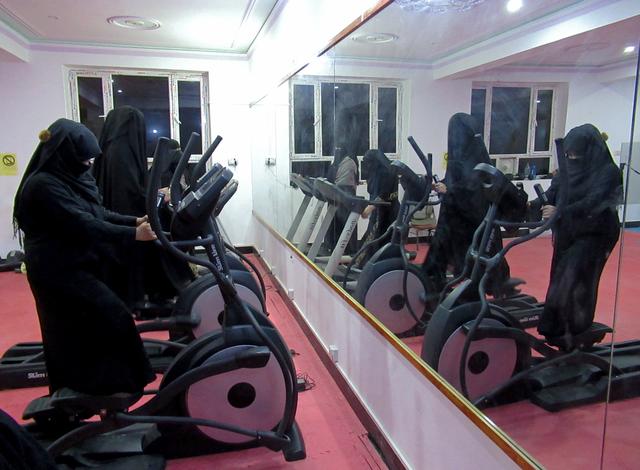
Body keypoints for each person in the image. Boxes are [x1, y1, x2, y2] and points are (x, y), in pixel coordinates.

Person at [13, 119, 156, 395]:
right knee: (106, 318)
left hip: (75, 262)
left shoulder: (71, 179)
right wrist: (133, 236)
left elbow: (97, 213)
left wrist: (134, 220)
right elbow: (83, 223)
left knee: (80, 328)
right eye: (83, 159)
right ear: (65, 155)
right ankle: (106, 387)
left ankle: (96, 387)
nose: (88, 165)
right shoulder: (44, 185)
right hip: (56, 269)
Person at [532, 124, 622, 341]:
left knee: (576, 278)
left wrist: (559, 212)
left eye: (576, 154)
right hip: (569, 229)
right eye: (568, 154)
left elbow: (594, 203)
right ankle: (556, 327)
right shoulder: (567, 170)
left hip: (596, 233)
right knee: (559, 276)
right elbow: (553, 194)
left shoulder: (608, 173)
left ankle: (576, 328)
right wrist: (526, 206)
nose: (572, 157)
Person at [421, 113, 518, 299]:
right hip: (457, 219)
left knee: (477, 261)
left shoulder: (475, 156)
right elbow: (456, 181)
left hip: (475, 220)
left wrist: (449, 190)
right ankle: (435, 286)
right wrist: (441, 184)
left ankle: (491, 293)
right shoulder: (458, 156)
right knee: (447, 253)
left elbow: (474, 191)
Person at [356, 149, 399, 265]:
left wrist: (369, 209)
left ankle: (363, 265)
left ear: (374, 162)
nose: (367, 165)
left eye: (368, 162)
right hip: (384, 212)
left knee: (374, 240)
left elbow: (382, 194)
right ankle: (369, 264)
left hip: (386, 213)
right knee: (376, 240)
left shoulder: (384, 173)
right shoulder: (378, 172)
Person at [325, 146, 359, 254]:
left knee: (337, 223)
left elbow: (329, 180)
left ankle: (334, 248)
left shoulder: (335, 165)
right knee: (347, 224)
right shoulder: (352, 162)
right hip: (348, 196)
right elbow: (356, 180)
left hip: (336, 195)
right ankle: (349, 250)